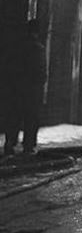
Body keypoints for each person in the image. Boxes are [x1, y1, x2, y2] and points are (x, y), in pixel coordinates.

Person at [3, 19, 46, 157]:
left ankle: (10, 143)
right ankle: (28, 146)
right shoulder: (38, 48)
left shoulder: (16, 47)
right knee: (31, 118)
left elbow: (9, 68)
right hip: (32, 91)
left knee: (14, 116)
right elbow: (41, 72)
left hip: (16, 88)